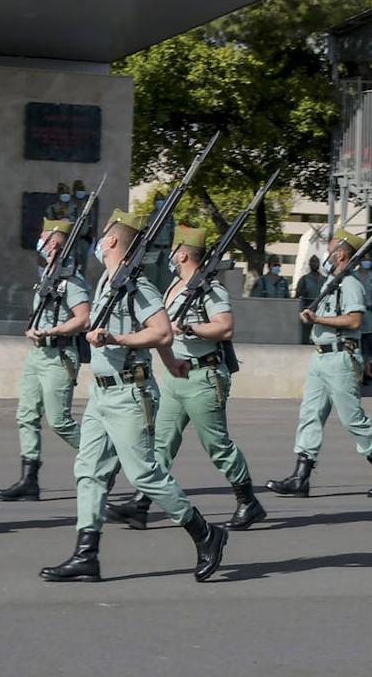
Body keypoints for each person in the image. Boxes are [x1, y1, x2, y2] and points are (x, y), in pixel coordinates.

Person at [40, 209, 227, 583]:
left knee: (144, 474)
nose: (98, 240)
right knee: (89, 472)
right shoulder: (108, 282)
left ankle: (206, 533)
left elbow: (161, 332)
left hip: (129, 393)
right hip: (101, 394)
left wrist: (116, 339)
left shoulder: (137, 285)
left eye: (103, 235)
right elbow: (161, 340)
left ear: (111, 240)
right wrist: (172, 364)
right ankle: (86, 554)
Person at [106, 225, 265, 531]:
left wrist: (190, 328)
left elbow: (225, 327)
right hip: (176, 376)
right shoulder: (175, 287)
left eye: (173, 250)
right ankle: (141, 504)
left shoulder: (211, 289)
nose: (169, 255)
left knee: (217, 445)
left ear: (182, 253)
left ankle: (248, 502)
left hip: (204, 377)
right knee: (160, 443)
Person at [267, 228, 372, 498]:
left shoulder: (350, 284)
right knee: (310, 415)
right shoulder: (331, 282)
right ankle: (301, 477)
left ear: (342, 254)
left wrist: (317, 320)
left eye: (330, 249)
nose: (325, 253)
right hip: (321, 356)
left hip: (340, 358)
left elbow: (355, 321)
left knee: (352, 419)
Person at [0, 218, 88, 502]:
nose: (41, 243)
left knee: (60, 421)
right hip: (38, 354)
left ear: (57, 244)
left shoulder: (71, 281)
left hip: (59, 355)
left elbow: (84, 318)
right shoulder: (47, 277)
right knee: (26, 415)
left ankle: (104, 454)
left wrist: (54, 331)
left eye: (46, 239)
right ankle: (29, 479)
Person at [142, 192, 174, 292]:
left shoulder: (170, 216)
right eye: (158, 200)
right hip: (153, 248)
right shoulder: (152, 215)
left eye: (162, 200)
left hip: (166, 248)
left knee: (166, 277)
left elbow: (172, 232)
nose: (160, 202)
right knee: (151, 275)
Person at [294, 256, 325, 345]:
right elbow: (297, 296)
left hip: (321, 311)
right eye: (313, 262)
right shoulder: (304, 279)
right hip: (307, 310)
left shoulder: (324, 279)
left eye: (316, 262)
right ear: (310, 264)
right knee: (305, 337)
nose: (314, 264)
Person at [71, 179, 94, 269]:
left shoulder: (87, 206)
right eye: (78, 189)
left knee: (82, 266)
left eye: (82, 189)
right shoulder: (70, 206)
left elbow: (91, 224)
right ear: (74, 191)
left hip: (83, 241)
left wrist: (92, 240)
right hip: (71, 241)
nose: (80, 191)